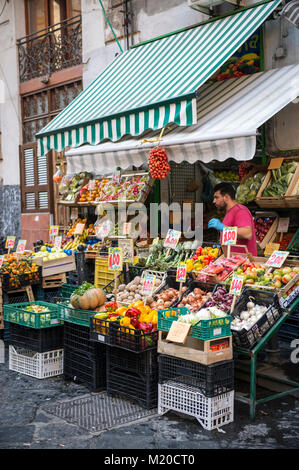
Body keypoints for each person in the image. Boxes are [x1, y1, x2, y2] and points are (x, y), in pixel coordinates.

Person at [208, 182, 257, 256]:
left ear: (227, 197)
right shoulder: (229, 212)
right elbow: (232, 236)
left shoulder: (240, 211)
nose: (214, 201)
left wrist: (223, 228)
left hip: (244, 263)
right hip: (233, 261)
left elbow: (247, 234)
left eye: (216, 197)